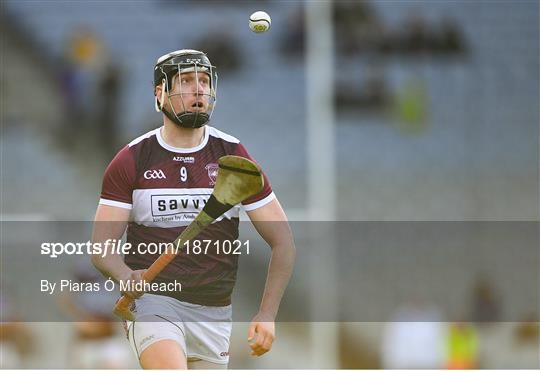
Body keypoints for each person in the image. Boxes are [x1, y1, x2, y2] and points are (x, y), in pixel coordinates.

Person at [91, 49, 295, 369]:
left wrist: (267, 313)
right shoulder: (131, 159)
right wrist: (124, 275)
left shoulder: (233, 155)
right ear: (160, 93)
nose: (199, 89)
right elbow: (101, 248)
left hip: (215, 312)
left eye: (204, 81)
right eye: (186, 81)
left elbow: (283, 242)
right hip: (154, 304)